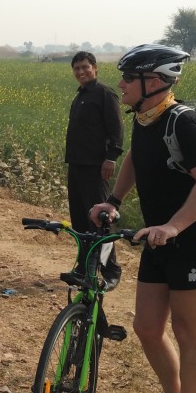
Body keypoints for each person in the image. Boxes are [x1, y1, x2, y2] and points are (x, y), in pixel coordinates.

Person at [90, 43, 196, 393]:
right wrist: (114, 201)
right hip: (159, 238)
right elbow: (136, 156)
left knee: (187, 330)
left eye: (127, 78)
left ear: (152, 82)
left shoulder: (184, 123)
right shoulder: (146, 118)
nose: (120, 84)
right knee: (147, 327)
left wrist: (173, 226)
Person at [64, 51, 124, 290]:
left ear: (95, 68)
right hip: (77, 165)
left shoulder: (104, 94)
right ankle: (83, 269)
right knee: (80, 221)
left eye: (85, 67)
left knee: (100, 221)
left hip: (96, 167)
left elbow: (116, 130)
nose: (81, 72)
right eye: (77, 68)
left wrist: (111, 158)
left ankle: (111, 270)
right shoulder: (80, 96)